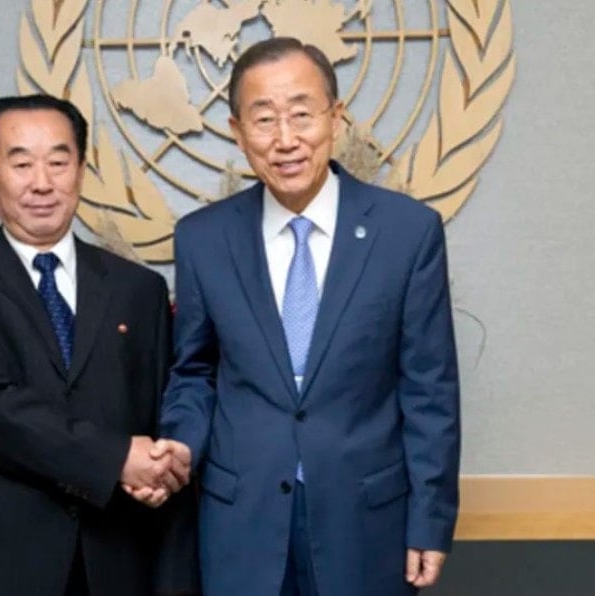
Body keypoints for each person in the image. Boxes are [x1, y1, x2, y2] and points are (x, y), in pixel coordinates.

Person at [155, 37, 461, 595]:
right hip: (240, 518)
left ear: (336, 118)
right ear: (237, 131)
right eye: (264, 119)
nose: (286, 139)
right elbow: (195, 370)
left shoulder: (407, 232)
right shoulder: (203, 238)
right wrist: (179, 442)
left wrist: (431, 521)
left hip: (366, 518)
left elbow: (429, 390)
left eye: (302, 114)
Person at [0, 94, 198, 596]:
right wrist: (116, 457)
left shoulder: (138, 289)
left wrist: (162, 470)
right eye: (20, 163)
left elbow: (158, 408)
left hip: (119, 558)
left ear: (81, 170)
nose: (42, 182)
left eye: (59, 162)